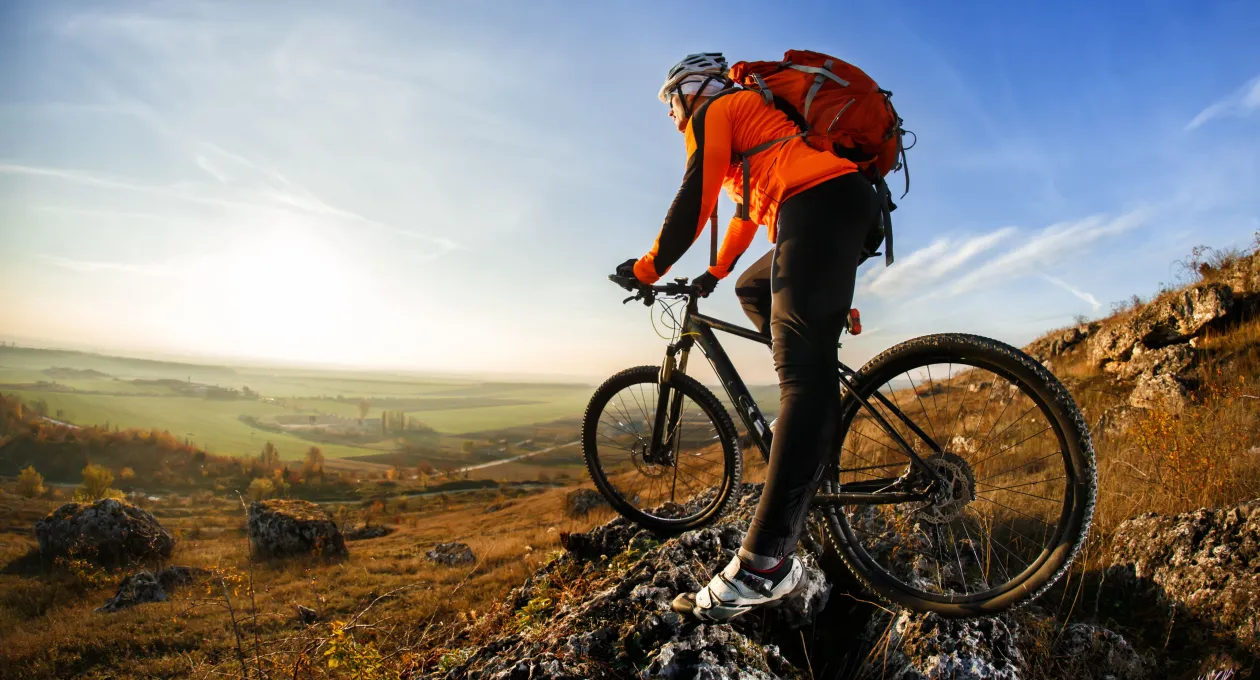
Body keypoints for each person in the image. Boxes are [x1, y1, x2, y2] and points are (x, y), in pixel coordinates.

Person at [614, 52, 882, 621]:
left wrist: (646, 269)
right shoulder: (754, 125)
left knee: (802, 385)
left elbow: (695, 200)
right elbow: (743, 215)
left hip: (820, 207)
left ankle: (766, 566)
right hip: (833, 207)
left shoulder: (721, 111)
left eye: (670, 102)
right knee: (754, 291)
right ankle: (815, 381)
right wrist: (714, 273)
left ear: (690, 91)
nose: (671, 116)